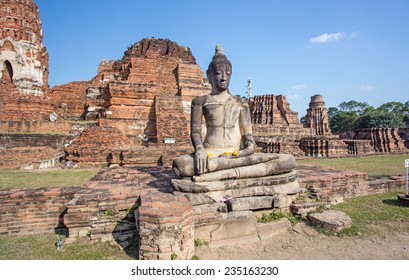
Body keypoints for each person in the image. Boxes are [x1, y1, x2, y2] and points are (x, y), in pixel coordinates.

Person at [172, 46, 295, 181]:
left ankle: (216, 174)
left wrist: (249, 146)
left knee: (287, 160)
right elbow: (195, 132)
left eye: (228, 74)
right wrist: (199, 149)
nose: (224, 78)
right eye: (219, 73)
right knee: (182, 165)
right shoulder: (200, 101)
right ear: (209, 75)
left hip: (238, 154)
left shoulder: (241, 103)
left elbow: (248, 135)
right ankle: (236, 173)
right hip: (210, 153)